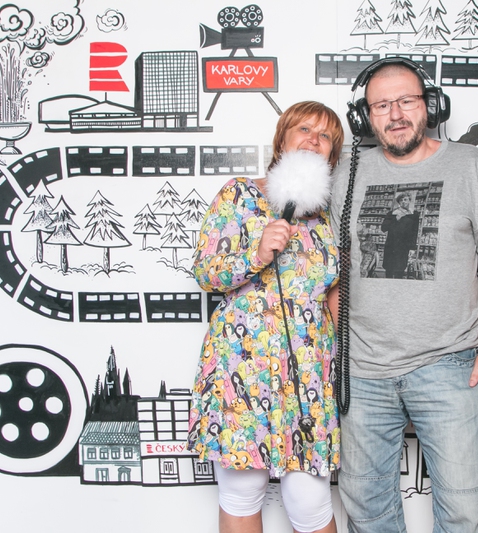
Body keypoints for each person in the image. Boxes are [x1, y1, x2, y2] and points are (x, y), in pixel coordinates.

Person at [331, 59, 478, 533]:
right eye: (381, 106)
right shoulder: (347, 174)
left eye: (406, 101)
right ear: (364, 117)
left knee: (465, 510)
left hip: (448, 363)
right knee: (366, 506)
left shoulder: (470, 165)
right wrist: (339, 352)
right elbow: (333, 274)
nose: (395, 114)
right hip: (363, 372)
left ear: (431, 105)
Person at [188, 101, 344, 533]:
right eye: (304, 129)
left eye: (325, 136)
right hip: (243, 365)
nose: (313, 139)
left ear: (332, 155)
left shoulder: (329, 215)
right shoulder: (239, 195)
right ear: (282, 139)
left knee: (310, 501)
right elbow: (205, 272)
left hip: (308, 372)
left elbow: (333, 292)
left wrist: (346, 363)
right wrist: (255, 255)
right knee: (242, 492)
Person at [380, 191, 419, 278]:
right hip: (391, 245)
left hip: (403, 247)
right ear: (398, 202)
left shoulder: (414, 215)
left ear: (409, 201)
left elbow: (414, 232)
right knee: (389, 269)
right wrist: (395, 219)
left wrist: (412, 248)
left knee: (400, 270)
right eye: (401, 200)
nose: (403, 202)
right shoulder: (392, 213)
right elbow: (383, 228)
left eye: (405, 199)